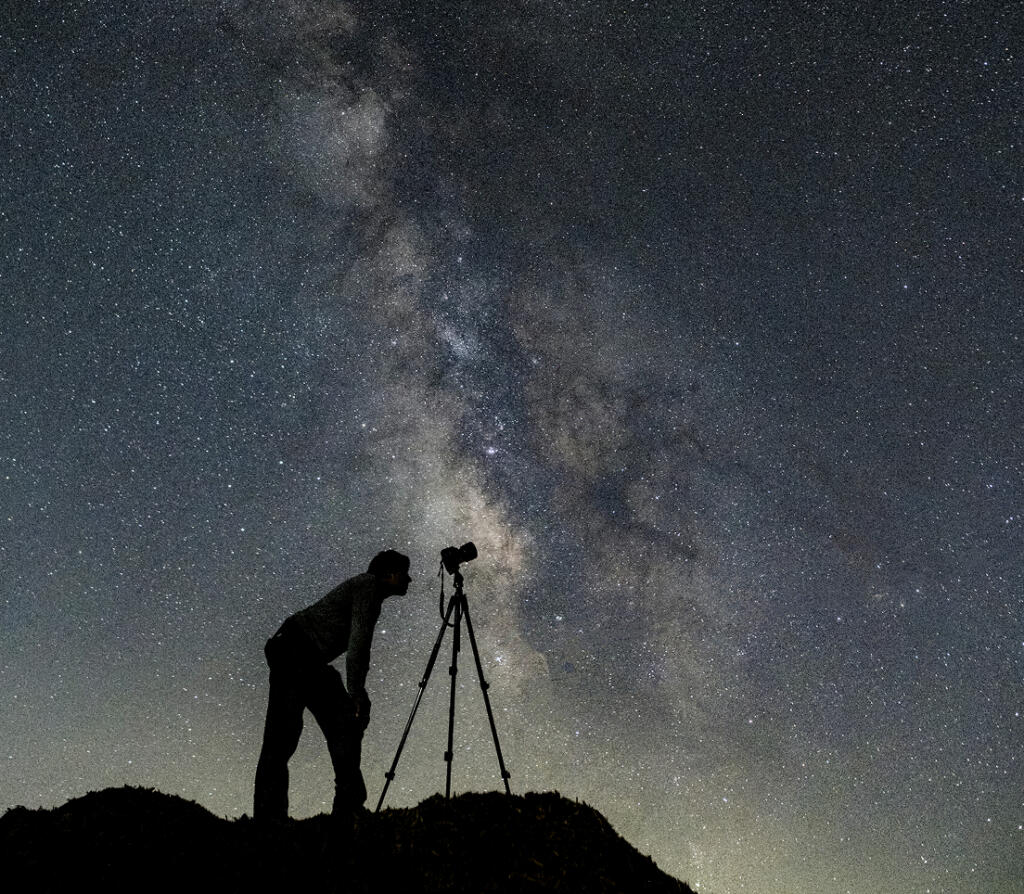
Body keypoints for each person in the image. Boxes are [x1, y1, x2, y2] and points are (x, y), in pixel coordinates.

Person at [253, 549, 411, 820]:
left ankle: (345, 809)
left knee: (340, 725)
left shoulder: (369, 591)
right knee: (283, 738)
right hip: (294, 651)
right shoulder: (368, 586)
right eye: (404, 573)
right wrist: (358, 693)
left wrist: (356, 694)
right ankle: (271, 823)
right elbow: (358, 644)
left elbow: (357, 644)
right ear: (389, 574)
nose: (410, 580)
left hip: (304, 656)